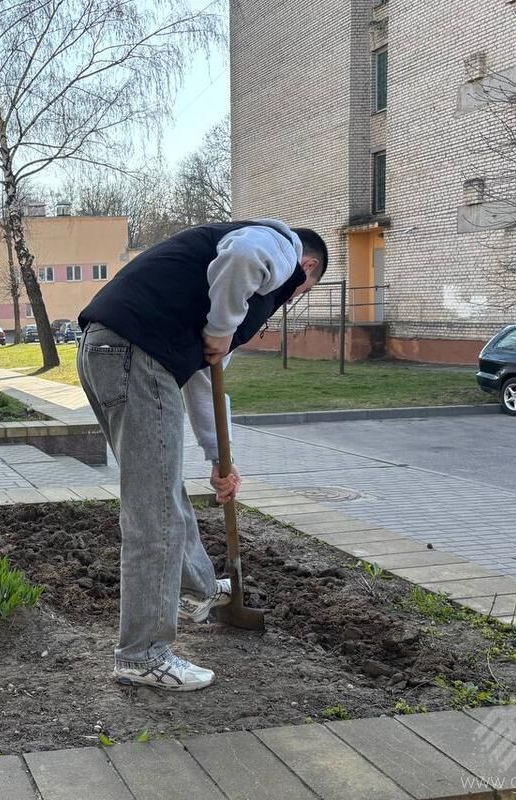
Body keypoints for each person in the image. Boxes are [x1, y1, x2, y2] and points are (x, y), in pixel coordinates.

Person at [77, 219, 327, 691]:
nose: (291, 296)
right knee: (154, 512)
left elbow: (206, 379)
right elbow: (244, 256)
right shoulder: (279, 246)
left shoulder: (220, 299)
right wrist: (221, 326)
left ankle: (199, 590)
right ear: (307, 266)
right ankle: (142, 656)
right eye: (303, 289)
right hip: (136, 353)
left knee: (162, 494)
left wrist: (220, 459)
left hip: (112, 351)